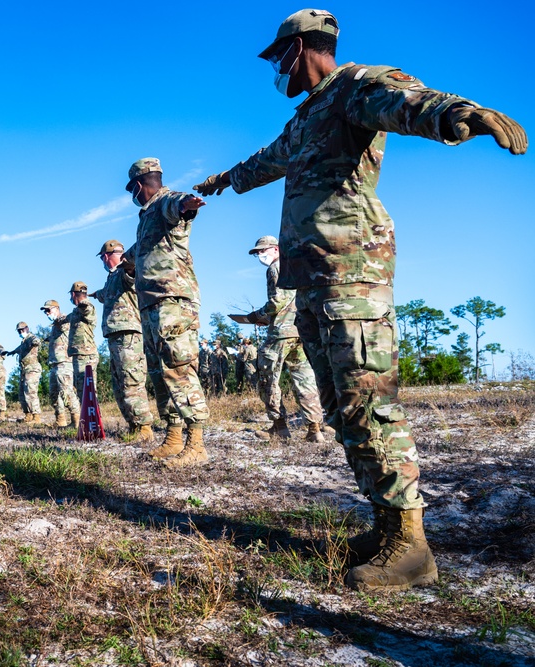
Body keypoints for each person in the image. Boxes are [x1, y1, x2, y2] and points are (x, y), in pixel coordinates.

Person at [194, 8, 526, 591]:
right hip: (313, 282)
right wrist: (224, 180)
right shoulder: (305, 119)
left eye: (278, 59)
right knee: (345, 406)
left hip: (353, 274)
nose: (275, 70)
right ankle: (386, 525)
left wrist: (459, 114)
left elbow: (407, 99)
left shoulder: (353, 86)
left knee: (371, 401)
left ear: (301, 49)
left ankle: (411, 545)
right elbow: (265, 162)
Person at [124, 158, 209, 467]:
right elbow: (138, 252)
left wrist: (188, 204)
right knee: (159, 372)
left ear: (138, 185)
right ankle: (173, 436)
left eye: (132, 189)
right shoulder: (145, 218)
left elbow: (180, 205)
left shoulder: (164, 202)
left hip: (173, 299)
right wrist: (125, 261)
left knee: (178, 366)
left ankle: (196, 442)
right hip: (151, 303)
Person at [243, 235, 324, 442]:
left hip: (280, 333)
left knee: (267, 377)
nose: (260, 255)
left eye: (263, 250)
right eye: (257, 253)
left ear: (277, 249)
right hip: (300, 331)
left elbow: (277, 301)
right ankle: (314, 429)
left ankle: (279, 426)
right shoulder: (298, 267)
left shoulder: (275, 268)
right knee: (304, 379)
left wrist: (257, 316)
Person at [90, 240, 154, 441]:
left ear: (108, 255)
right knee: (119, 384)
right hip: (114, 335)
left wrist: (126, 259)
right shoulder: (111, 279)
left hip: (128, 335)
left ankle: (144, 427)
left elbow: (131, 273)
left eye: (103, 256)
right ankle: (133, 425)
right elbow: (103, 295)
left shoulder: (125, 272)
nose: (102, 260)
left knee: (131, 381)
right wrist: (92, 295)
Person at [41, 299, 81, 427]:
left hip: (64, 363)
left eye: (49, 310)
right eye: (45, 311)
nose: (47, 313)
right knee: (54, 394)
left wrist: (57, 320)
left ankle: (77, 421)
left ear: (56, 309)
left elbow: (65, 325)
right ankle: (60, 420)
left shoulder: (63, 320)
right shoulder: (55, 326)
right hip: (55, 364)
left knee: (66, 393)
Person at [67, 281, 99, 399]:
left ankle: (93, 417)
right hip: (79, 355)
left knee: (88, 390)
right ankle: (87, 416)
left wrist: (82, 303)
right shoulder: (76, 311)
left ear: (74, 294)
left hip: (86, 355)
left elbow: (87, 309)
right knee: (82, 390)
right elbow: (67, 318)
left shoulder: (86, 306)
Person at [6, 322, 42, 422]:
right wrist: (12, 352)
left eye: (22, 330)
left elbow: (37, 341)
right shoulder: (24, 341)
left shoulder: (31, 338)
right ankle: (28, 415)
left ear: (27, 328)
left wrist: (35, 342)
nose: (21, 332)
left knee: (31, 392)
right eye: (19, 331)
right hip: (24, 370)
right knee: (22, 393)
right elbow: (19, 349)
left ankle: (36, 416)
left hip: (32, 368)